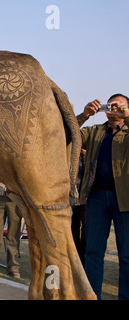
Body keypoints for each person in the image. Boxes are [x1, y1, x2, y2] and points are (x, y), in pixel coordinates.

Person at [77, 94, 129, 300]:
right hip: (97, 198)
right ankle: (92, 296)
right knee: (93, 252)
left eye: (120, 105)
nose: (114, 108)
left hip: (125, 201)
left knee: (126, 256)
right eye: (111, 104)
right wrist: (84, 115)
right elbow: (68, 134)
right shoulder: (95, 132)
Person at [71, 149, 86, 266]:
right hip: (71, 199)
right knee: (73, 230)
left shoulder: (87, 157)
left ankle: (82, 261)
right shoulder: (70, 154)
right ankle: (74, 260)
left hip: (84, 199)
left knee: (85, 232)